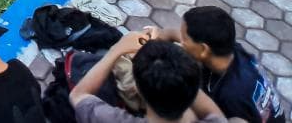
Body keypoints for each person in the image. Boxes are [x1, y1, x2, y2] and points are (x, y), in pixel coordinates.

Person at [146, 6, 285, 123]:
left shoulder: (230, 96)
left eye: (184, 39)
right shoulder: (230, 50)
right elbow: (172, 33)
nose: (181, 41)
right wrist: (157, 37)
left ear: (203, 49)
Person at [70, 34, 227, 123]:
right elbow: (216, 116)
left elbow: (78, 95)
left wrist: (116, 50)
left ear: (137, 88)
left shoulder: (111, 119)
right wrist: (180, 71)